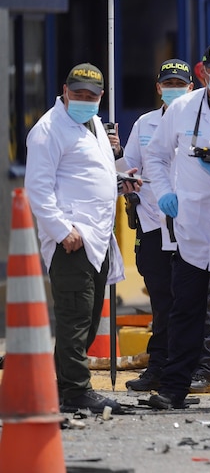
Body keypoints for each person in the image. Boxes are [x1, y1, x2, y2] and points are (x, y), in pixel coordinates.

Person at [24, 62, 140, 414]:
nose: (84, 100)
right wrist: (62, 231)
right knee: (75, 318)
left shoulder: (95, 126)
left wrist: (121, 183)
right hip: (72, 240)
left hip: (97, 238)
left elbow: (91, 176)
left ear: (101, 97)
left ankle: (62, 386)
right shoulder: (48, 130)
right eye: (78, 94)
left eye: (91, 96)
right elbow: (38, 189)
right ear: (64, 91)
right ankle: (76, 391)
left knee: (87, 320)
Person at [142, 41, 210, 410]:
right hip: (190, 226)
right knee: (185, 310)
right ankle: (174, 387)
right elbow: (155, 156)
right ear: (203, 73)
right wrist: (165, 193)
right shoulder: (182, 109)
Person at [121, 59, 210, 393]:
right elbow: (128, 167)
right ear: (158, 88)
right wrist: (118, 162)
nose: (174, 90)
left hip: (193, 225)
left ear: (191, 87)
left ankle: (202, 367)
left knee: (198, 300)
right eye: (168, 84)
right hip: (152, 222)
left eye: (180, 84)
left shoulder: (204, 121)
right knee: (162, 301)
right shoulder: (144, 123)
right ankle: (159, 366)